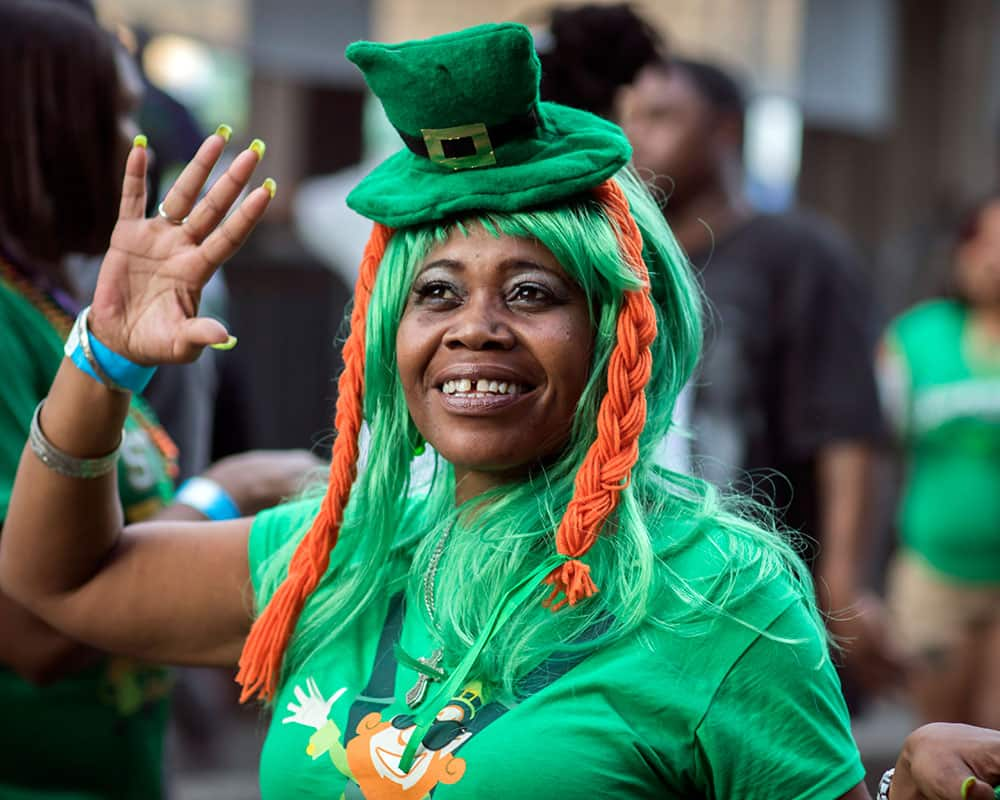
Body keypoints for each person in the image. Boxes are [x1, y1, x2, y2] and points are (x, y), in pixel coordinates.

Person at [0, 19, 998, 800]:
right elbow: (63, 583)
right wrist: (101, 359)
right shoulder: (337, 554)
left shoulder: (721, 599)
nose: (474, 326)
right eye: (436, 291)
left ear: (618, 331)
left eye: (531, 291)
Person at [0, 3, 316, 796]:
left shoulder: (41, 299)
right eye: (121, 116)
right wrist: (223, 495)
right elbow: (30, 629)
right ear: (37, 126)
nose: (140, 143)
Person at [618, 54, 897, 696]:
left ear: (725, 132)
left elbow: (848, 430)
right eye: (625, 118)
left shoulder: (799, 254)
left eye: (660, 117)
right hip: (638, 583)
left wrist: (845, 587)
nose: (635, 138)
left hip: (758, 588)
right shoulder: (619, 262)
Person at [877, 196, 1000, 730]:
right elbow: (878, 450)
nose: (993, 258)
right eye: (983, 241)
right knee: (940, 737)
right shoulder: (912, 338)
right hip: (933, 571)